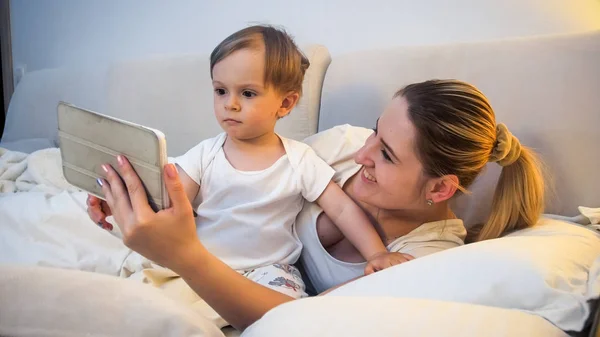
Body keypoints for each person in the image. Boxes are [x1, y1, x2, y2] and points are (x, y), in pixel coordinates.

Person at [89, 78, 545, 331]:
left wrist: (184, 256)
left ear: (440, 190)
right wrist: (136, 198)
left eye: (386, 154)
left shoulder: (424, 258)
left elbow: (296, 322)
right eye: (376, 131)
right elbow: (237, 184)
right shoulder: (343, 147)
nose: (364, 154)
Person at [91, 24, 405, 305]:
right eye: (220, 90)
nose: (231, 103)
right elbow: (168, 203)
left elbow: (343, 209)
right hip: (203, 261)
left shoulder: (299, 160)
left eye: (248, 93)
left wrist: (377, 253)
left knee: (286, 314)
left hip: (269, 270)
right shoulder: (205, 154)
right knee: (151, 306)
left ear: (285, 103)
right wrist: (115, 202)